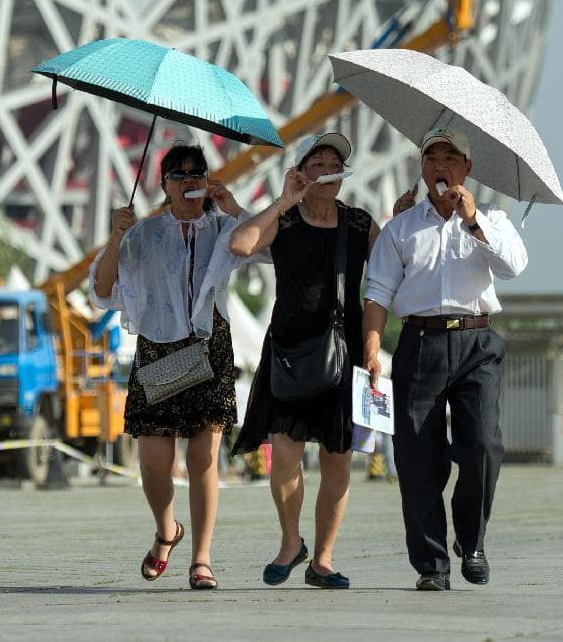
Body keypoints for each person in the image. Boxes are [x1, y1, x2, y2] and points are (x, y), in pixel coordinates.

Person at [363, 128, 528, 591]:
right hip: (421, 342)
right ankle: (432, 564)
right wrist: (373, 349)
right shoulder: (401, 228)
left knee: (482, 446)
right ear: (421, 167)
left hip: (478, 343)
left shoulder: (492, 219)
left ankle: (471, 542)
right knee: (417, 458)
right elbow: (377, 293)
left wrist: (474, 222)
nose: (440, 165)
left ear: (466, 168)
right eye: (431, 156)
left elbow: (514, 266)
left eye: (450, 157)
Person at [90, 144, 251, 590]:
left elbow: (268, 249)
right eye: (177, 175)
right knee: (154, 465)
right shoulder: (143, 234)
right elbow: (102, 291)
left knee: (203, 459)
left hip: (209, 346)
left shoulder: (224, 229)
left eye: (196, 172)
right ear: (163, 184)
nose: (188, 180)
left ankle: (202, 558)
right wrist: (116, 236)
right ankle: (167, 531)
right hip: (159, 349)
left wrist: (233, 206)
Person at [229, 132, 380, 589]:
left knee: (338, 459)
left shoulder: (357, 224)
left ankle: (324, 560)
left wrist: (406, 217)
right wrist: (283, 201)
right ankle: (291, 543)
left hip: (343, 352)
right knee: (285, 456)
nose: (329, 168)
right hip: (290, 352)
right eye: (319, 162)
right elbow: (241, 244)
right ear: (302, 173)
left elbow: (394, 266)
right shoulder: (287, 220)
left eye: (336, 162)